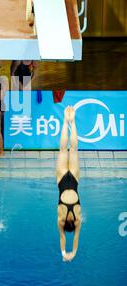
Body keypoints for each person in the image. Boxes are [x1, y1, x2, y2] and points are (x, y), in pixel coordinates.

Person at [56, 106, 81, 262]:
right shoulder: (60, 220)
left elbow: (76, 239)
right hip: (62, 183)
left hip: (74, 181)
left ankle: (72, 121)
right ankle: (66, 121)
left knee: (73, 150)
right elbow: (62, 238)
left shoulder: (78, 219)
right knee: (63, 150)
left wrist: (73, 253)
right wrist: (64, 253)